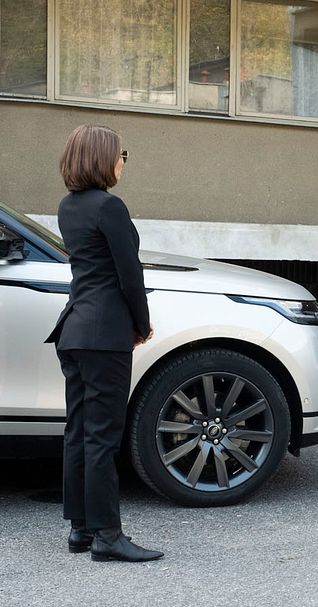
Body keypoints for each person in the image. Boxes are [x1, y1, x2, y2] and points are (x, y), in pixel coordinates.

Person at [45, 124, 162, 562]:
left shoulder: (68, 206)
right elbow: (129, 275)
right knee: (102, 437)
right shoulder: (110, 207)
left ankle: (80, 529)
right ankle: (108, 537)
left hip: (73, 331)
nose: (122, 161)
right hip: (104, 334)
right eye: (120, 154)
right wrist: (142, 323)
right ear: (101, 158)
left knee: (77, 431)